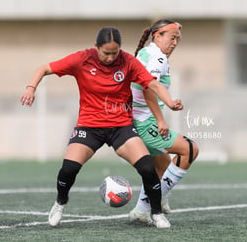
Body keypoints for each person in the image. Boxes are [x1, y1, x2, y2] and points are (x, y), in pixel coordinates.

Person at [20, 27, 184, 228]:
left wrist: (169, 102)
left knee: (148, 168)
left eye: (114, 53)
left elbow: (154, 85)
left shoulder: (128, 62)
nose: (110, 57)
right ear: (96, 47)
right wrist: (31, 88)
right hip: (89, 126)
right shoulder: (82, 59)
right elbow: (44, 68)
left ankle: (157, 214)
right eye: (106, 53)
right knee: (68, 169)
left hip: (121, 127)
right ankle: (60, 203)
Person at [129, 19, 199, 223]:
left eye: (178, 39)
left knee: (163, 167)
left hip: (139, 118)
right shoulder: (156, 58)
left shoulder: (148, 54)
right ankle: (145, 208)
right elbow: (147, 88)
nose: (175, 43)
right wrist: (160, 119)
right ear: (157, 36)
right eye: (172, 37)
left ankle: (148, 207)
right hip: (144, 121)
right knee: (190, 149)